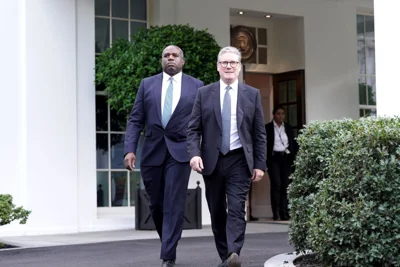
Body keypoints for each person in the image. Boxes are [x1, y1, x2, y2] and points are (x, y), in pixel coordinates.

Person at [124, 45, 204, 267]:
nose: (170, 58)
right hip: (152, 152)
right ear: (162, 60)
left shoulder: (196, 86)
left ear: (182, 61)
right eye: (166, 55)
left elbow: (201, 123)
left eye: (175, 55)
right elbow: (135, 119)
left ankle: (168, 256)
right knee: (156, 205)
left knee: (173, 202)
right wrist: (130, 149)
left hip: (180, 153)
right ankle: (168, 242)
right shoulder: (147, 85)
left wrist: (199, 152)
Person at [187, 46, 266, 267]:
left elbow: (259, 132)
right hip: (212, 161)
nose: (229, 66)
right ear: (218, 67)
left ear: (239, 67)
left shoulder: (252, 94)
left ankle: (234, 252)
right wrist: (194, 154)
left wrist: (260, 164)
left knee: (236, 207)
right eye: (225, 63)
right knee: (217, 210)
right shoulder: (204, 93)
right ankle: (225, 255)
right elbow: (193, 129)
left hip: (240, 160)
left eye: (233, 62)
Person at [265, 106, 298, 221]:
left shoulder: (288, 127)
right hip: (274, 158)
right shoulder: (268, 128)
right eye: (278, 113)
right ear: (274, 115)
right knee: (276, 185)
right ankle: (276, 212)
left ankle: (285, 212)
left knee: (286, 185)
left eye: (283, 113)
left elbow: (293, 143)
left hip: (286, 158)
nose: (281, 116)